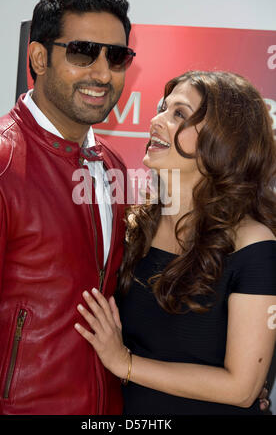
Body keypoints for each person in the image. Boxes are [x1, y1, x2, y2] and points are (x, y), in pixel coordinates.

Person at [0, 0, 135, 415]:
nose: (102, 73)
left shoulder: (112, 166)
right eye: (83, 52)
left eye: (116, 56)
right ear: (39, 57)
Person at [75, 70, 276, 415]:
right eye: (162, 109)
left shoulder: (253, 243)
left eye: (178, 114)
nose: (155, 121)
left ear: (222, 140)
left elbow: (242, 388)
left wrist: (125, 364)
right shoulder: (135, 226)